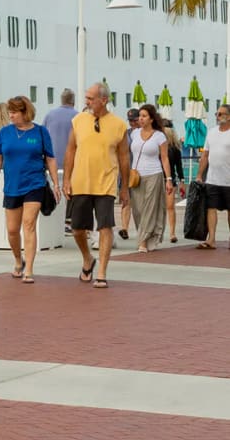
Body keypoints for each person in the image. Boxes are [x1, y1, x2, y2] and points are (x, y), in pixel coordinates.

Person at [63, 82, 130, 288]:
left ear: (104, 100)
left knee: (105, 227)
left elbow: (124, 157)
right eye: (87, 97)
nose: (87, 101)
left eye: (91, 98)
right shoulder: (78, 120)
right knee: (76, 229)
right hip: (80, 182)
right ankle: (87, 259)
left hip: (106, 183)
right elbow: (70, 151)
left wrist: (125, 186)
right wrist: (66, 179)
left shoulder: (119, 125)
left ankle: (101, 272)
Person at [0, 95, 59, 284]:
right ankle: (18, 260)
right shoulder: (5, 133)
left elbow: (50, 158)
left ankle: (29, 269)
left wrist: (55, 183)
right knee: (12, 230)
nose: (10, 115)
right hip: (12, 186)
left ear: (24, 112)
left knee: (29, 224)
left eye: (14, 112)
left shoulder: (41, 132)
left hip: (34, 184)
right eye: (9, 112)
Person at [129, 104, 172, 252]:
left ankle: (143, 241)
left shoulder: (159, 136)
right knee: (138, 209)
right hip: (136, 176)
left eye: (144, 116)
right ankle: (148, 236)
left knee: (150, 208)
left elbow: (165, 158)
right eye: (140, 116)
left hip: (154, 174)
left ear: (152, 119)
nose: (140, 119)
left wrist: (169, 179)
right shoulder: (134, 134)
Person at [195, 103, 230, 250]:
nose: (217, 116)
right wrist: (199, 175)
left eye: (221, 114)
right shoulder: (211, 132)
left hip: (229, 180)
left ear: (229, 117)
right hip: (212, 179)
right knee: (211, 208)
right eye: (217, 113)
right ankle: (211, 239)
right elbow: (205, 155)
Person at [118, 108, 141, 239]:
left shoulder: (144, 133)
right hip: (126, 171)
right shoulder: (125, 134)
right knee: (126, 200)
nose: (132, 123)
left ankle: (141, 228)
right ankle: (125, 228)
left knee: (139, 203)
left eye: (134, 120)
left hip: (139, 171)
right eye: (130, 120)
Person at [42, 89, 77, 169]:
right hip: (72, 165)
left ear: (61, 100)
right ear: (73, 101)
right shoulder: (78, 117)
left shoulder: (49, 115)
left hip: (51, 163)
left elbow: (42, 138)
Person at [163, 121, 186, 242]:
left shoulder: (174, 149)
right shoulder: (156, 145)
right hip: (156, 179)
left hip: (171, 181)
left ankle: (172, 233)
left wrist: (182, 181)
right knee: (157, 208)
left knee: (170, 206)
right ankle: (158, 231)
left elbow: (179, 166)